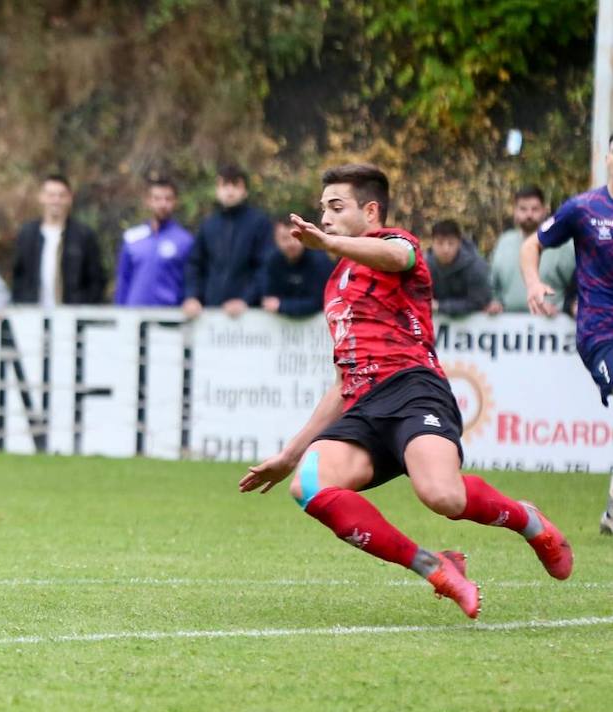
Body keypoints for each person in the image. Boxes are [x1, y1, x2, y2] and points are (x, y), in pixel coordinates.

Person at [240, 163, 571, 619]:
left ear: (371, 210)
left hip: (414, 389)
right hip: (363, 407)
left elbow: (396, 258)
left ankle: (529, 520)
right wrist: (290, 454)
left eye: (337, 208)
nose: (327, 217)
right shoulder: (334, 283)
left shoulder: (399, 244)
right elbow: (343, 380)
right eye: (323, 209)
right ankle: (434, 567)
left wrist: (328, 242)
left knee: (442, 497)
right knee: (309, 484)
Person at [522, 136, 613, 532]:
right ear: (609, 157)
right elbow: (531, 245)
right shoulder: (584, 208)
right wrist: (532, 282)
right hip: (600, 329)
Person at [182, 164, 274, 318]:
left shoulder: (259, 223)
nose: (230, 191)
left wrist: (245, 300)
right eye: (225, 185)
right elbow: (194, 265)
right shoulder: (208, 224)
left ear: (245, 191)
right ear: (217, 190)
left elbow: (265, 267)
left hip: (250, 315)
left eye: (236, 185)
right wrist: (193, 297)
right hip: (210, 312)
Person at [10, 174, 106, 307]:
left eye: (61, 195)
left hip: (72, 316)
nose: (56, 200)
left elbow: (96, 279)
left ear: (70, 198)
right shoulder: (27, 234)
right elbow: (19, 277)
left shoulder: (83, 236)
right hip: (34, 315)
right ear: (41, 197)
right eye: (51, 195)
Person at [489, 186, 575, 314]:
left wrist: (568, 307)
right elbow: (493, 287)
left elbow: (577, 288)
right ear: (515, 212)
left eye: (535, 209)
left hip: (552, 326)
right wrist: (494, 303)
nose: (529, 214)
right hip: (508, 328)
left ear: (545, 211)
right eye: (523, 209)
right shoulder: (504, 242)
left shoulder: (562, 244)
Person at [114, 177, 194, 307]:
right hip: (134, 317)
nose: (163, 204)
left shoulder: (185, 241)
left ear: (175, 202)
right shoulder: (132, 238)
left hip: (168, 318)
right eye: (157, 199)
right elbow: (123, 280)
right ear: (148, 201)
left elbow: (189, 283)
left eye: (168, 199)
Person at [262, 216, 333, 317]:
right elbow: (268, 298)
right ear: (275, 239)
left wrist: (282, 306)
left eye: (296, 237)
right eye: (284, 238)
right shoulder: (272, 261)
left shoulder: (319, 261)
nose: (291, 243)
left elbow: (320, 301)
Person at [425, 220, 491, 317]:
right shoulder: (424, 266)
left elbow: (478, 302)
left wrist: (440, 306)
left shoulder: (475, 266)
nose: (445, 249)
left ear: (459, 243)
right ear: (432, 243)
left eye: (451, 243)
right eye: (440, 243)